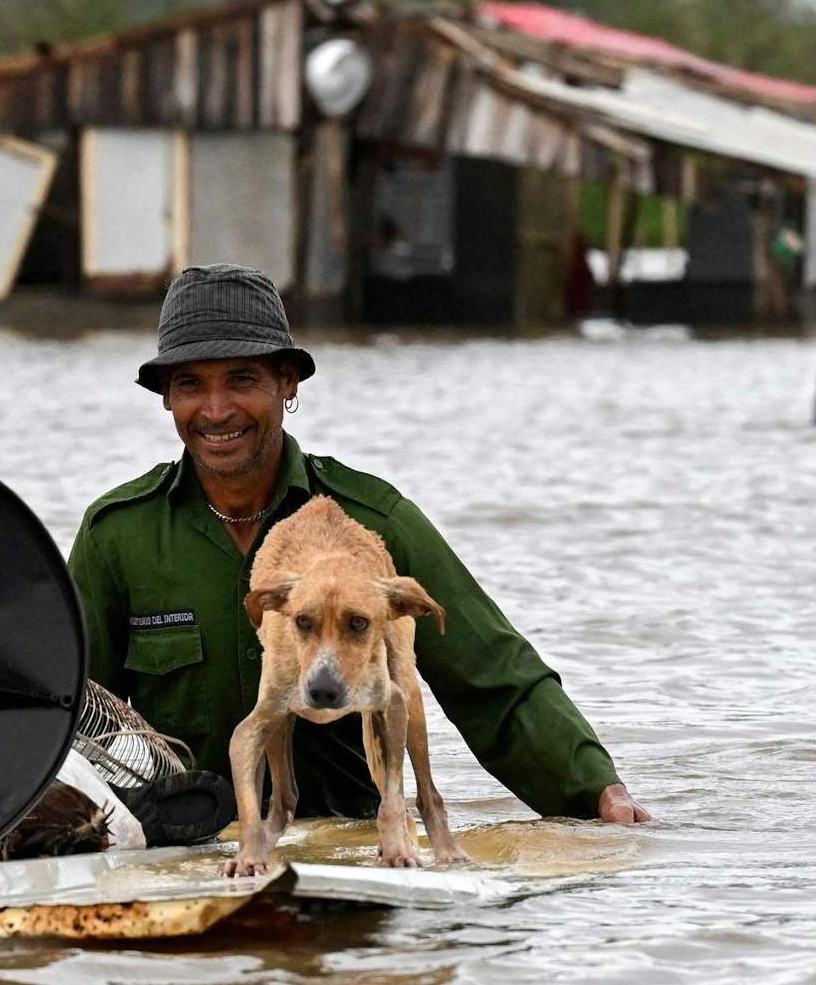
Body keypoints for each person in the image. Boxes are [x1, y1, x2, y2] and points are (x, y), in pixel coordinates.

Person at [67, 263, 649, 826]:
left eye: (242, 380)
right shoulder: (116, 536)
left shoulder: (376, 524)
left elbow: (495, 677)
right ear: (167, 397)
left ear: (286, 383)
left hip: (351, 846)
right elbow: (68, 710)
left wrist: (593, 789)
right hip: (181, 848)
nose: (217, 411)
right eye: (191, 384)